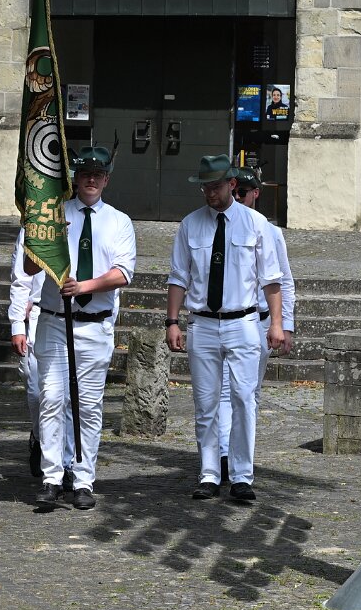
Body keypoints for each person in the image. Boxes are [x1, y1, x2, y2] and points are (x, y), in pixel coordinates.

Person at [165, 154, 284, 504]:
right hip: (202, 322)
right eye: (205, 187)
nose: (209, 193)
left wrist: (277, 323)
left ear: (232, 185)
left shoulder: (256, 223)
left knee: (244, 399)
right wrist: (172, 321)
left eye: (215, 186)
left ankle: (242, 475)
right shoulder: (190, 224)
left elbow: (271, 279)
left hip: (243, 321)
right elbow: (178, 276)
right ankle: (208, 473)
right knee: (205, 402)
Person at [24, 146, 136, 512]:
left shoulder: (119, 221)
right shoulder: (54, 215)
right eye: (85, 173)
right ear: (75, 178)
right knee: (51, 399)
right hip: (55, 321)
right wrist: (39, 236)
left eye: (97, 175)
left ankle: (84, 479)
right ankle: (52, 477)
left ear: (106, 179)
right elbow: (28, 267)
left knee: (88, 406)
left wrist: (83, 287)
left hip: (94, 325)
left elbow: (123, 273)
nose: (91, 180)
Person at [214, 166, 294, 487]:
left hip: (259, 320)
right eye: (234, 192)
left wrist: (284, 324)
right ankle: (223, 454)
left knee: (248, 393)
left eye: (243, 193)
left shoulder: (268, 231)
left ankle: (239, 454)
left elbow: (283, 281)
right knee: (224, 391)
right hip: (227, 318)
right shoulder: (216, 223)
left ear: (256, 194)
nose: (238, 197)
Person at [8, 234, 48, 479]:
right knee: (35, 392)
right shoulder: (33, 224)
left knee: (65, 395)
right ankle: (39, 437)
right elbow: (20, 278)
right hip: (38, 314)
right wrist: (17, 325)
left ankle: (63, 461)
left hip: (73, 316)